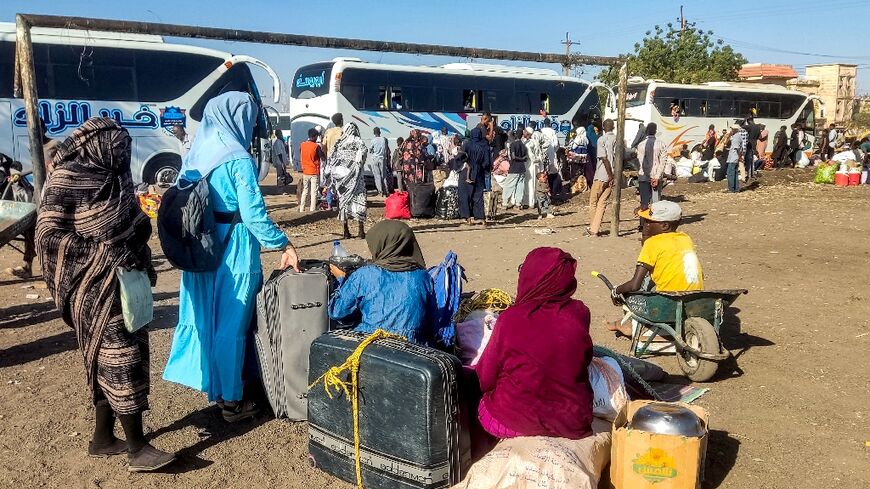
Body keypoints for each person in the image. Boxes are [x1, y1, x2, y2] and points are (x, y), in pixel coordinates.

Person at [37, 117, 176, 471]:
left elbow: (134, 221)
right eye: (116, 148)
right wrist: (105, 253)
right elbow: (48, 237)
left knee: (111, 359)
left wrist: (137, 243)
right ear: (96, 145)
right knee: (120, 360)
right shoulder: (67, 178)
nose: (123, 155)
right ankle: (137, 448)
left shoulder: (115, 176)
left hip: (124, 285)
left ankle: (102, 439)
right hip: (91, 288)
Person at [163, 93, 300, 423]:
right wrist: (284, 244)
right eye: (249, 117)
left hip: (200, 248)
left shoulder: (195, 155)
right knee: (231, 325)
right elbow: (253, 217)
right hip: (233, 249)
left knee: (205, 319)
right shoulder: (238, 159)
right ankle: (231, 401)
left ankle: (214, 384)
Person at [475, 247, 594, 440]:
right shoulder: (580, 313)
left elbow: (485, 379)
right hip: (572, 422)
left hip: (511, 421)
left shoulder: (510, 319)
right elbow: (583, 362)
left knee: (477, 401)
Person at [328, 220, 436, 345]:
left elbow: (337, 312)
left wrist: (341, 279)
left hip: (372, 344)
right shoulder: (423, 277)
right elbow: (432, 323)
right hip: (414, 347)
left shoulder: (365, 274)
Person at [608, 201, 703, 335]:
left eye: (648, 222)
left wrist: (616, 291)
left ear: (664, 225)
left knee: (637, 288)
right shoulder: (685, 238)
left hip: (668, 301)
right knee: (650, 279)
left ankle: (630, 323)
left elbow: (635, 284)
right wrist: (646, 232)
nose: (644, 225)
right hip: (695, 299)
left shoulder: (653, 243)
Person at [323, 122, 369, 239]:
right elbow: (363, 156)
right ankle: (360, 231)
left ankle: (346, 231)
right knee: (359, 202)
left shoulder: (338, 144)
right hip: (357, 180)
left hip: (342, 182)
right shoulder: (359, 142)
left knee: (344, 204)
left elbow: (331, 160)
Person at [586, 118, 616, 237]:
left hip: (602, 175)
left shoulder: (601, 140)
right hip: (613, 174)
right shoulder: (618, 140)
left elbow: (604, 158)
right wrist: (614, 176)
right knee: (602, 203)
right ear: (613, 127)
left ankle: (593, 228)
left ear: (603, 128)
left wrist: (610, 176)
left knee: (593, 201)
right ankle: (595, 228)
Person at [459, 127, 489, 224]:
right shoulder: (484, 145)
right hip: (479, 172)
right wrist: (482, 168)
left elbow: (460, 157)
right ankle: (480, 217)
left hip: (467, 171)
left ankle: (467, 217)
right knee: (478, 195)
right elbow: (487, 162)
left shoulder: (467, 144)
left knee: (465, 195)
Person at [635, 123, 666, 211]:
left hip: (643, 177)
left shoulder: (640, 145)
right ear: (655, 131)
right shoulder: (661, 144)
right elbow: (663, 162)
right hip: (655, 176)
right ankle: (654, 222)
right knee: (656, 202)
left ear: (647, 131)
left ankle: (643, 223)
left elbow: (640, 162)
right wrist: (656, 177)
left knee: (644, 203)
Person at [299, 127, 325, 212]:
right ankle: (312, 209)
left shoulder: (302, 145)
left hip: (305, 171)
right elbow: (323, 157)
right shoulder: (316, 146)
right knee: (313, 192)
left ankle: (301, 208)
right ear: (314, 136)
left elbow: (301, 153)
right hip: (314, 172)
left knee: (305, 190)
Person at [503, 129, 528, 209]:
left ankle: (505, 203)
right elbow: (526, 157)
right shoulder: (523, 145)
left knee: (508, 186)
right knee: (520, 186)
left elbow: (513, 157)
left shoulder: (513, 144)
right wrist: (522, 158)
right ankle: (518, 203)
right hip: (522, 168)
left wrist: (519, 158)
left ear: (515, 135)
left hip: (514, 168)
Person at [368, 127, 390, 197]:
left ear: (374, 133)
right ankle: (386, 190)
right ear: (380, 132)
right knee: (383, 175)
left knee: (377, 176)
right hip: (382, 158)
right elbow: (386, 149)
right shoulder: (383, 139)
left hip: (375, 159)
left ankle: (380, 191)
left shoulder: (373, 140)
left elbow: (370, 150)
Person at [726, 124, 746, 193]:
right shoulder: (738, 136)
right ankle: (736, 189)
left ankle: (731, 189)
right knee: (735, 173)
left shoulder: (736, 137)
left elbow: (737, 148)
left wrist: (739, 157)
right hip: (735, 157)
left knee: (730, 173)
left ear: (734, 130)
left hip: (733, 157)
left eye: (732, 129)